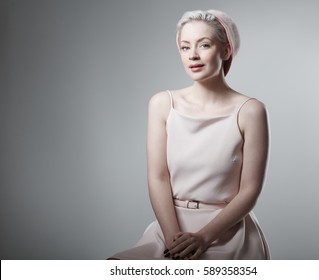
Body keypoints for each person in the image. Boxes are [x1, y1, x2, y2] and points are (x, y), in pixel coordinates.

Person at [108, 9, 270, 260]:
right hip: (170, 227)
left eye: (204, 45)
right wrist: (174, 239)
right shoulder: (163, 103)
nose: (192, 55)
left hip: (226, 233)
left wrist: (204, 237)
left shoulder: (250, 111)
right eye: (185, 47)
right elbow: (158, 178)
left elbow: (250, 190)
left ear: (226, 50)